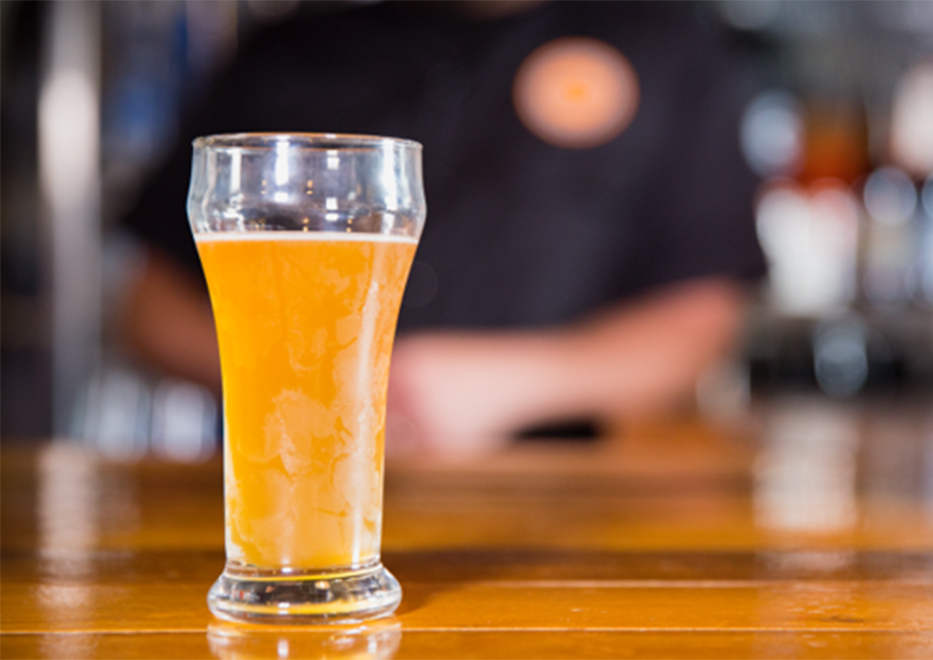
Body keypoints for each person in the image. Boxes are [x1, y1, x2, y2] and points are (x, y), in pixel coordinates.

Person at [118, 1, 766, 454]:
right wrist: (315, 391)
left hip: (567, 492)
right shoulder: (287, 53)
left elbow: (699, 321)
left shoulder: (669, 51)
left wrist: (506, 385)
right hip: (290, 477)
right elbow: (151, 308)